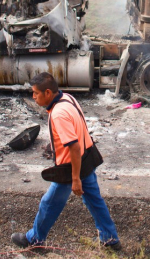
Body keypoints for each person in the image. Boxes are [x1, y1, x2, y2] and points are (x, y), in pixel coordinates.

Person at [10, 72, 121, 251]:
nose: (33, 97)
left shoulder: (59, 113)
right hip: (87, 159)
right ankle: (110, 239)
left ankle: (35, 240)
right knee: (94, 201)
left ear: (47, 92)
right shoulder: (68, 98)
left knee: (49, 203)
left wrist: (75, 178)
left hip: (71, 167)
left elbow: (73, 147)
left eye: (36, 93)